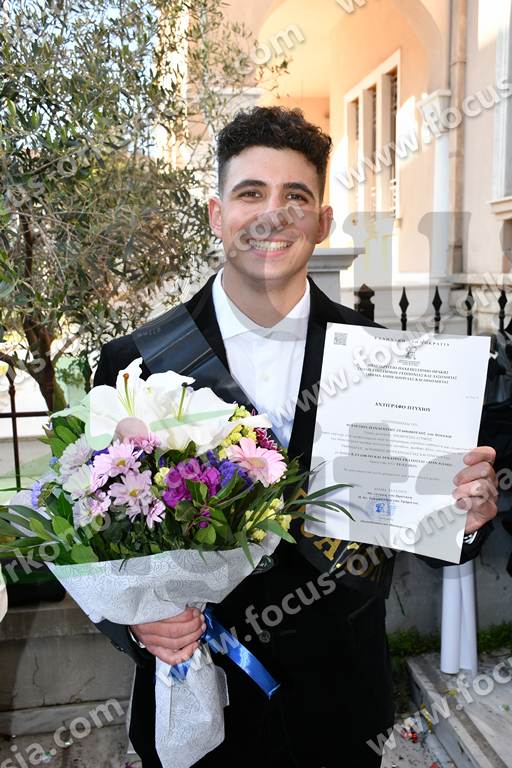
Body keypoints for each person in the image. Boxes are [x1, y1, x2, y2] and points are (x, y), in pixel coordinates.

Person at [93, 107, 497, 768]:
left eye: (296, 197)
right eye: (251, 193)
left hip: (342, 707)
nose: (272, 216)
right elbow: (99, 535)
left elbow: (431, 536)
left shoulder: (390, 361)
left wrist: (467, 518)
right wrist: (133, 622)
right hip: (199, 701)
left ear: (323, 222)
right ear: (217, 214)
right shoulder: (137, 362)